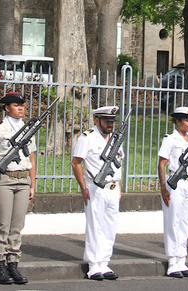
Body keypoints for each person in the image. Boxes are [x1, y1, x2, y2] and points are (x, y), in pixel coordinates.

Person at [0, 92, 37, 285]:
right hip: (4, 180)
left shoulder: (27, 129)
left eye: (22, 105)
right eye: (15, 105)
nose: (20, 108)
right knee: (2, 224)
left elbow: (31, 159)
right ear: (7, 108)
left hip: (23, 180)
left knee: (17, 225)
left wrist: (32, 184)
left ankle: (13, 263)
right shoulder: (0, 129)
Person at [71, 106, 124, 281]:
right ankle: (93, 264)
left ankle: (104, 262)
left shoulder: (115, 138)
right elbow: (76, 163)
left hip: (112, 188)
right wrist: (83, 187)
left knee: (109, 227)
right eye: (107, 121)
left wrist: (119, 186)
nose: (110, 125)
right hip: (95, 187)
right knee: (95, 226)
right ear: (97, 120)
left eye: (112, 122)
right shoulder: (87, 138)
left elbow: (118, 164)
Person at [158, 107, 188, 279]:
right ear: (177, 121)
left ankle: (181, 259)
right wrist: (163, 186)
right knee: (173, 221)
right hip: (175, 183)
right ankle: (172, 261)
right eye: (186, 120)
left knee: (186, 221)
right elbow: (162, 164)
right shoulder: (170, 139)